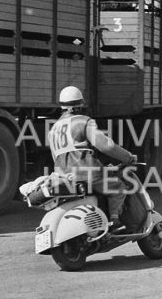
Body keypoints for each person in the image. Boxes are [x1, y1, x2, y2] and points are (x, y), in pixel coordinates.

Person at [48, 85, 137, 231]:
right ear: (80, 104)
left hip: (64, 177)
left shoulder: (53, 129)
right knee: (118, 187)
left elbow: (55, 157)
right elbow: (106, 146)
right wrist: (127, 157)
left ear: (62, 106)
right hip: (87, 173)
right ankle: (115, 220)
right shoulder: (83, 121)